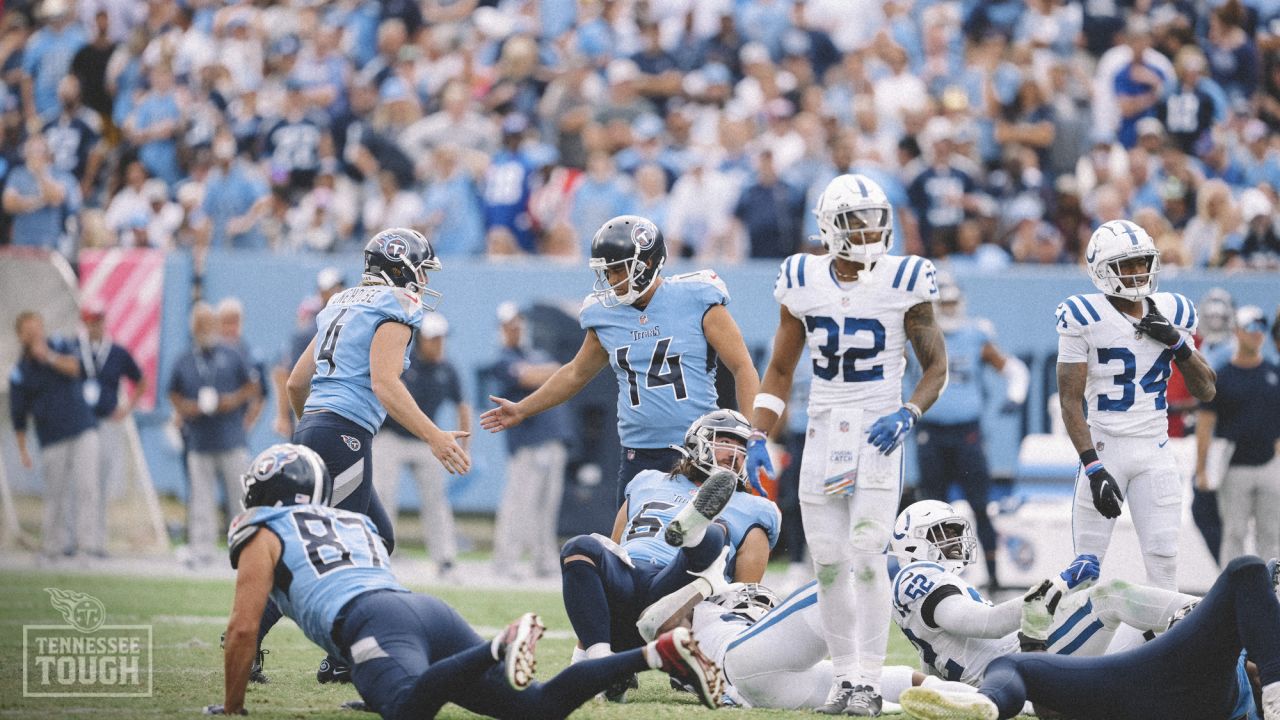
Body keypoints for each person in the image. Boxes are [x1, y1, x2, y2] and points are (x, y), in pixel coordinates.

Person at [207, 443, 726, 717]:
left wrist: (232, 709)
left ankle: (498, 646)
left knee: (408, 710)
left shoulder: (261, 526)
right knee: (537, 708)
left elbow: (244, 630)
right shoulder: (352, 521)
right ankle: (658, 653)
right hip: (421, 610)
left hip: (374, 622)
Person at [747, 173, 949, 714]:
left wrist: (908, 412)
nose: (870, 231)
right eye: (857, 222)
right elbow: (781, 367)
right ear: (829, 228)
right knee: (830, 561)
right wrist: (757, 431)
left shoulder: (906, 278)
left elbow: (936, 367)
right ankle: (843, 680)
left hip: (880, 428)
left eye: (875, 219)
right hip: (823, 427)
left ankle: (866, 678)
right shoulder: (801, 278)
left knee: (866, 554)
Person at [280, 227, 469, 684]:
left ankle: (339, 652)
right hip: (343, 435)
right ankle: (335, 652)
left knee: (378, 537)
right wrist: (434, 436)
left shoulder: (340, 302)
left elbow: (294, 384)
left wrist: (312, 429)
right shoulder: (396, 305)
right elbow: (386, 383)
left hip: (317, 428)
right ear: (400, 266)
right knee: (342, 551)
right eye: (421, 269)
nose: (423, 279)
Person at [480, 215, 760, 507]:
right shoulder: (604, 315)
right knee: (631, 547)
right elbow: (575, 373)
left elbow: (742, 367)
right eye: (607, 272)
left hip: (697, 448)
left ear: (646, 264)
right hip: (638, 453)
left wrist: (753, 434)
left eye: (617, 271)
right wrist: (523, 409)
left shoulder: (697, 297)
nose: (612, 282)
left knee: (701, 543)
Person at [559, 409, 779, 702]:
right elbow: (613, 549)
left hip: (678, 595)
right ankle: (603, 666)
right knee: (579, 547)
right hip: (627, 578)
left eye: (743, 448)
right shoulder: (647, 480)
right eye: (725, 441)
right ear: (697, 444)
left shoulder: (756, 508)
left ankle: (694, 529)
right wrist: (583, 650)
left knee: (713, 534)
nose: (735, 454)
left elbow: (740, 597)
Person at [897, 555, 1280, 720]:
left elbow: (1250, 577)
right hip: (1154, 693)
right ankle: (987, 703)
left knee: (1011, 665)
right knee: (1256, 573)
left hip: (1160, 683)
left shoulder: (1243, 651)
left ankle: (990, 703)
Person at [1056, 219, 1217, 590]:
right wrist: (1093, 467)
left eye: (1142, 262)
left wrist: (1177, 345)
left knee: (1164, 566)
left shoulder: (1173, 310)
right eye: (1125, 265)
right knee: (1086, 569)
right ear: (1102, 270)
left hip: (1156, 449)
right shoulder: (1084, 315)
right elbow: (1069, 401)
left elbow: (1206, 390)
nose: (1137, 272)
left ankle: (1162, 648)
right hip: (1105, 447)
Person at [915, 274, 1028, 590]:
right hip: (931, 431)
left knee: (979, 504)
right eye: (944, 303)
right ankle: (935, 575)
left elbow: (1014, 369)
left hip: (966, 432)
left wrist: (1015, 395)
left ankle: (993, 576)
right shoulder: (918, 335)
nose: (949, 310)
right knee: (932, 510)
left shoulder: (975, 334)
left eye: (952, 302)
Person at [371, 312, 471, 577]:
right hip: (391, 436)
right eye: (433, 339)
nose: (439, 344)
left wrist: (464, 445)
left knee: (436, 500)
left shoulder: (447, 368)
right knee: (382, 496)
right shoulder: (403, 363)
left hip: (427, 440)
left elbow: (462, 405)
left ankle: (445, 559)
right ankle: (380, 555)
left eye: (441, 339)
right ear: (421, 340)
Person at [167, 302, 258, 567]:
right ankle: (202, 550)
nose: (205, 330)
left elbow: (252, 386)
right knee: (201, 500)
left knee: (240, 498)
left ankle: (246, 549)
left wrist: (233, 401)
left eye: (208, 324)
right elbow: (173, 392)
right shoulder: (184, 359)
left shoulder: (232, 354)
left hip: (230, 438)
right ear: (193, 328)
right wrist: (185, 408)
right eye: (200, 325)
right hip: (199, 440)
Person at [9, 310, 101, 560]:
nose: (35, 334)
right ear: (21, 335)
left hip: (82, 428)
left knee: (86, 488)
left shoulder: (60, 344)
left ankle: (86, 547)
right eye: (29, 331)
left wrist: (48, 356)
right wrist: (22, 449)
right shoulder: (20, 370)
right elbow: (18, 414)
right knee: (55, 493)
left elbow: (75, 368)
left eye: (37, 328)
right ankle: (53, 546)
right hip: (51, 436)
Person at [490, 302, 571, 579]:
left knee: (547, 508)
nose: (516, 329)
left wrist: (546, 372)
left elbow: (560, 372)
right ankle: (505, 562)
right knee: (519, 505)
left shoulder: (536, 353)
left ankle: (543, 561)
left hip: (552, 441)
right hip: (527, 443)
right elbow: (531, 376)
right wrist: (545, 373)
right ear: (501, 329)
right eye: (510, 325)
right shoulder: (503, 359)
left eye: (518, 324)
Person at [1196, 306, 1280, 565]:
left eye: (1261, 329)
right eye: (1250, 328)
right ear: (1237, 331)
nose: (1257, 334)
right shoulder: (1222, 377)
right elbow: (1205, 425)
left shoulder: (1274, 374)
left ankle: (1271, 596)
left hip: (1269, 465)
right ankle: (1231, 596)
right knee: (1234, 533)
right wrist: (1201, 469)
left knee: (1272, 535)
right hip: (1233, 470)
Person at [77, 304, 146, 505]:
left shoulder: (117, 352)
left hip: (107, 419)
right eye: (90, 322)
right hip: (80, 423)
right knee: (81, 479)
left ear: (104, 323)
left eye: (97, 322)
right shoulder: (75, 348)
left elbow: (141, 381)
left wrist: (127, 408)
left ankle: (97, 533)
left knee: (102, 478)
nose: (94, 327)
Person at [272, 267, 344, 439]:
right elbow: (284, 374)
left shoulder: (346, 322)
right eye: (328, 290)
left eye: (337, 288)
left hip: (337, 409)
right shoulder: (310, 330)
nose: (333, 293)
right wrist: (283, 416)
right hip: (313, 408)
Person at [215, 298, 266, 434]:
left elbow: (260, 395)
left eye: (234, 323)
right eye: (225, 323)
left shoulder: (251, 356)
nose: (230, 328)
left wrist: (247, 424)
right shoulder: (206, 356)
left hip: (235, 429)